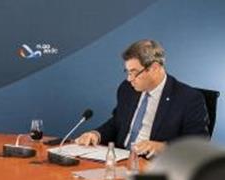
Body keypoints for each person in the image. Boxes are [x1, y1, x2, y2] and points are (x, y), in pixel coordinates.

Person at [75, 39, 209, 158]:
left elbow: (198, 145)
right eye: (127, 72)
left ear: (154, 68)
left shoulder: (188, 98)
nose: (129, 79)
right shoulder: (127, 89)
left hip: (154, 168)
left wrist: (163, 147)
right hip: (120, 160)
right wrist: (96, 134)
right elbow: (117, 122)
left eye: (134, 72)